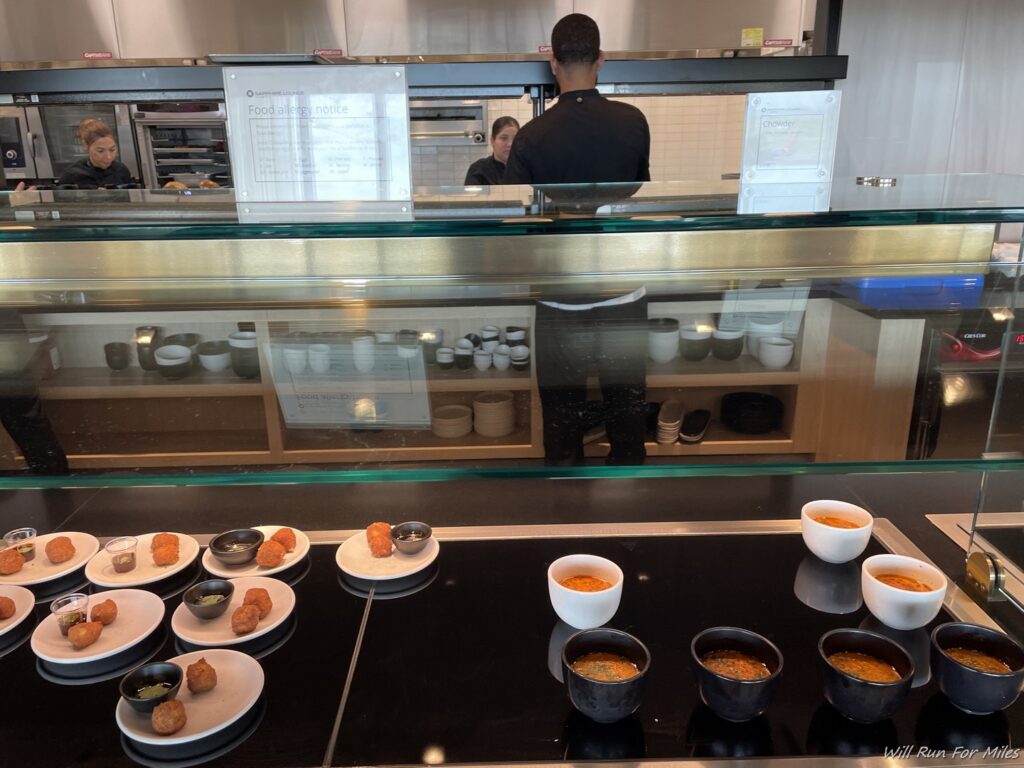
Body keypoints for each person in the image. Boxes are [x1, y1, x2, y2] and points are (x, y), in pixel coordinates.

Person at [505, 13, 652, 466]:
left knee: (563, 425)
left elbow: (519, 230)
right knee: (627, 425)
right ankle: (628, 529)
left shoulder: (530, 139)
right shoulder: (633, 123)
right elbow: (635, 199)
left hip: (559, 302)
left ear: (552, 63)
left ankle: (567, 522)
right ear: (601, 60)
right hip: (623, 295)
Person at [56, 118, 132, 189]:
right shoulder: (72, 175)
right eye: (100, 151)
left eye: (112, 150)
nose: (109, 157)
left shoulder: (121, 170)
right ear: (86, 146)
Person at [464, 116, 520, 185]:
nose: (510, 144)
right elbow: (472, 195)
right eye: (504, 138)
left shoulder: (525, 168)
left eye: (515, 139)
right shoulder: (478, 169)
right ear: (492, 141)